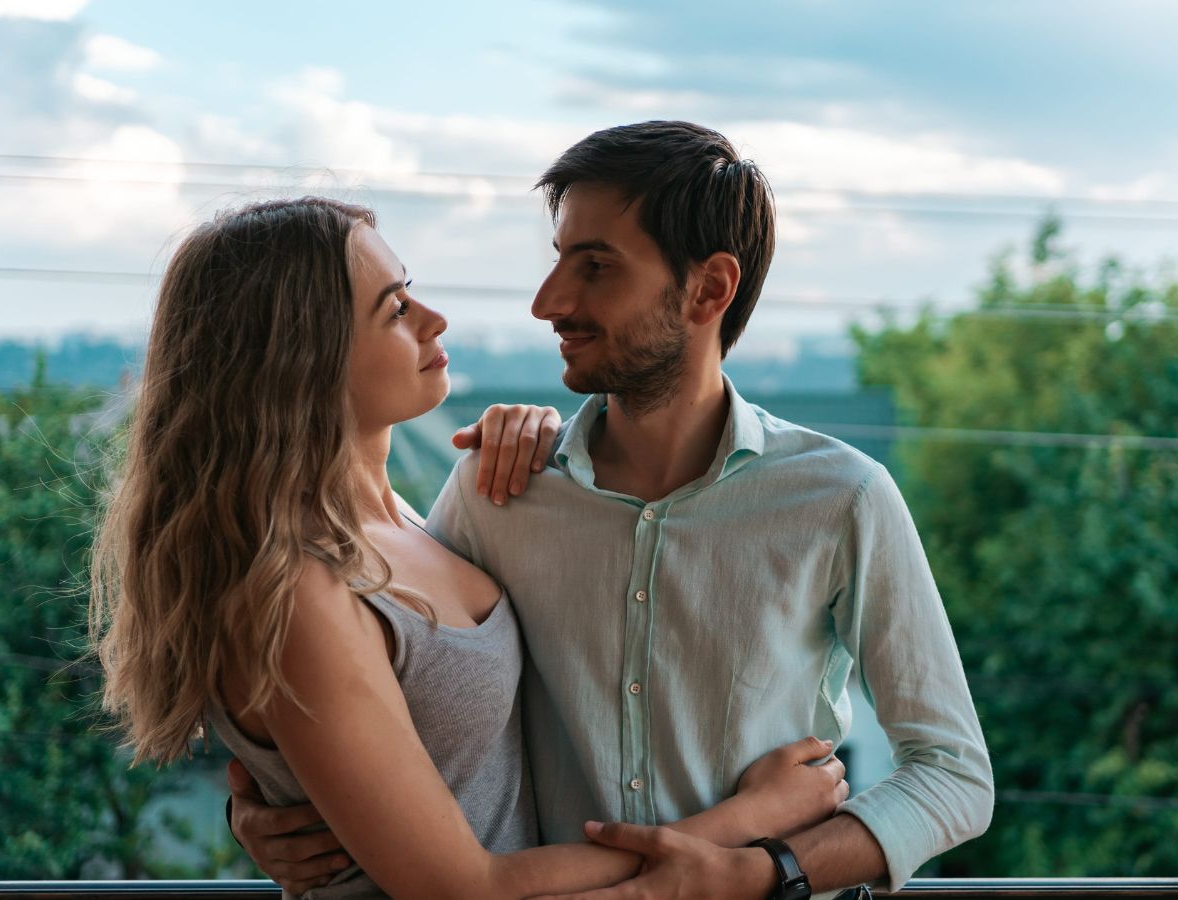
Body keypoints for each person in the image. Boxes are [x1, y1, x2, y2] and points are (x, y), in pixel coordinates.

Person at [231, 122, 994, 900]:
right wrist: (264, 804)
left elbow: (953, 775)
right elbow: (391, 681)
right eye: (559, 260)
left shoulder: (842, 498)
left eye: (594, 268)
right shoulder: (498, 489)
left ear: (708, 290)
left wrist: (769, 871)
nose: (548, 301)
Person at [89, 196, 850, 900]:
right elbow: (462, 888)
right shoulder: (300, 592)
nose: (434, 320)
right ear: (302, 356)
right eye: (396, 310)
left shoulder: (413, 523)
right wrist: (749, 819)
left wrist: (551, 444)